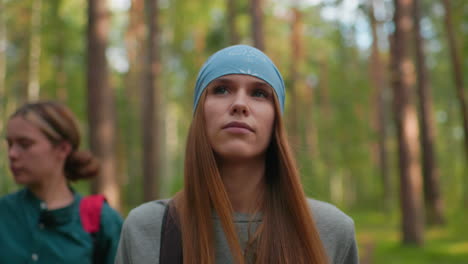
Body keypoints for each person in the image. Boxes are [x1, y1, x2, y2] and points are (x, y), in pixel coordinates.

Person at [115, 45, 358, 264]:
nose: (239, 104)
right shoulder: (146, 229)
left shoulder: (331, 231)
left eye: (259, 93)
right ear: (200, 114)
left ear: (276, 121)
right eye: (221, 89)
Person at [0, 101, 123, 264]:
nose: (12, 154)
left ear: (63, 149)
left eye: (25, 144)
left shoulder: (102, 221)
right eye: (10, 144)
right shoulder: (4, 214)